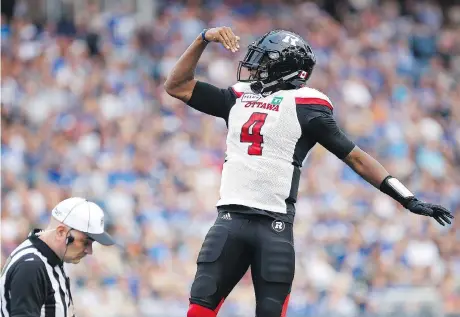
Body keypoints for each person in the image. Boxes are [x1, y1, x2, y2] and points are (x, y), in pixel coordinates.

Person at [164, 27, 454, 317]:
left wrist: (407, 198)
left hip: (271, 226)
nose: (256, 67)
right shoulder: (238, 96)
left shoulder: (306, 106)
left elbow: (354, 156)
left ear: (285, 69)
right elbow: (176, 85)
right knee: (198, 312)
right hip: (231, 219)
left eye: (265, 61)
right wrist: (202, 38)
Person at [0, 197, 115, 317]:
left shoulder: (50, 257)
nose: (89, 250)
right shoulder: (31, 266)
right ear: (61, 232)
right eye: (85, 242)